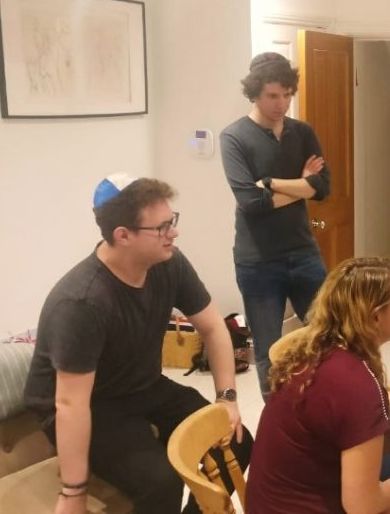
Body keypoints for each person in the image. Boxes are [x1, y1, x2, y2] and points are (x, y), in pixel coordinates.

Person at [23, 174, 252, 514]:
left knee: (238, 442)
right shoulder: (82, 302)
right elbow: (70, 404)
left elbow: (214, 327)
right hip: (93, 404)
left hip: (141, 385)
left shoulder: (169, 263)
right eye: (162, 227)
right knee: (161, 483)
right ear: (123, 236)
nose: (173, 233)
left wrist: (227, 399)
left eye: (172, 221)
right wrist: (73, 491)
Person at [246, 256, 390, 514]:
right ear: (375, 317)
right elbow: (361, 507)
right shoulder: (357, 385)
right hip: (307, 504)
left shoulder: (316, 349)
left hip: (276, 500)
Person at [220, 52, 331, 398]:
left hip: (304, 252)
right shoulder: (234, 137)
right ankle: (277, 419)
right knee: (269, 352)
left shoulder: (303, 132)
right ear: (254, 93)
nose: (281, 103)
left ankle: (324, 405)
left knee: (329, 337)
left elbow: (323, 188)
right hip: (258, 261)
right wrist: (302, 184)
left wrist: (270, 183)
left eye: (287, 94)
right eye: (272, 95)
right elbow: (251, 203)